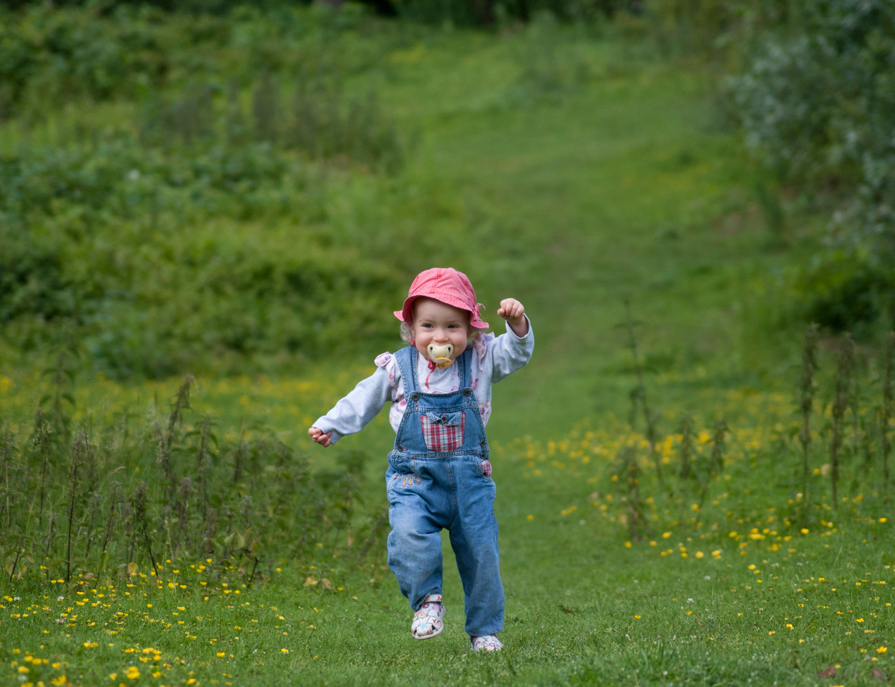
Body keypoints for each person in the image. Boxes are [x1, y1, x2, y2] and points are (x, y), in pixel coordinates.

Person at [308, 267, 534, 652]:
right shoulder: (398, 366)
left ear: (472, 330)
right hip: (414, 479)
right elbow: (365, 397)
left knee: (481, 554)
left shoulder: (481, 358)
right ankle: (428, 603)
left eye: (452, 327)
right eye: (429, 326)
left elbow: (515, 355)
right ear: (412, 330)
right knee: (409, 536)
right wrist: (334, 424)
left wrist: (518, 324)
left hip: (470, 480)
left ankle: (485, 631)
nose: (440, 337)